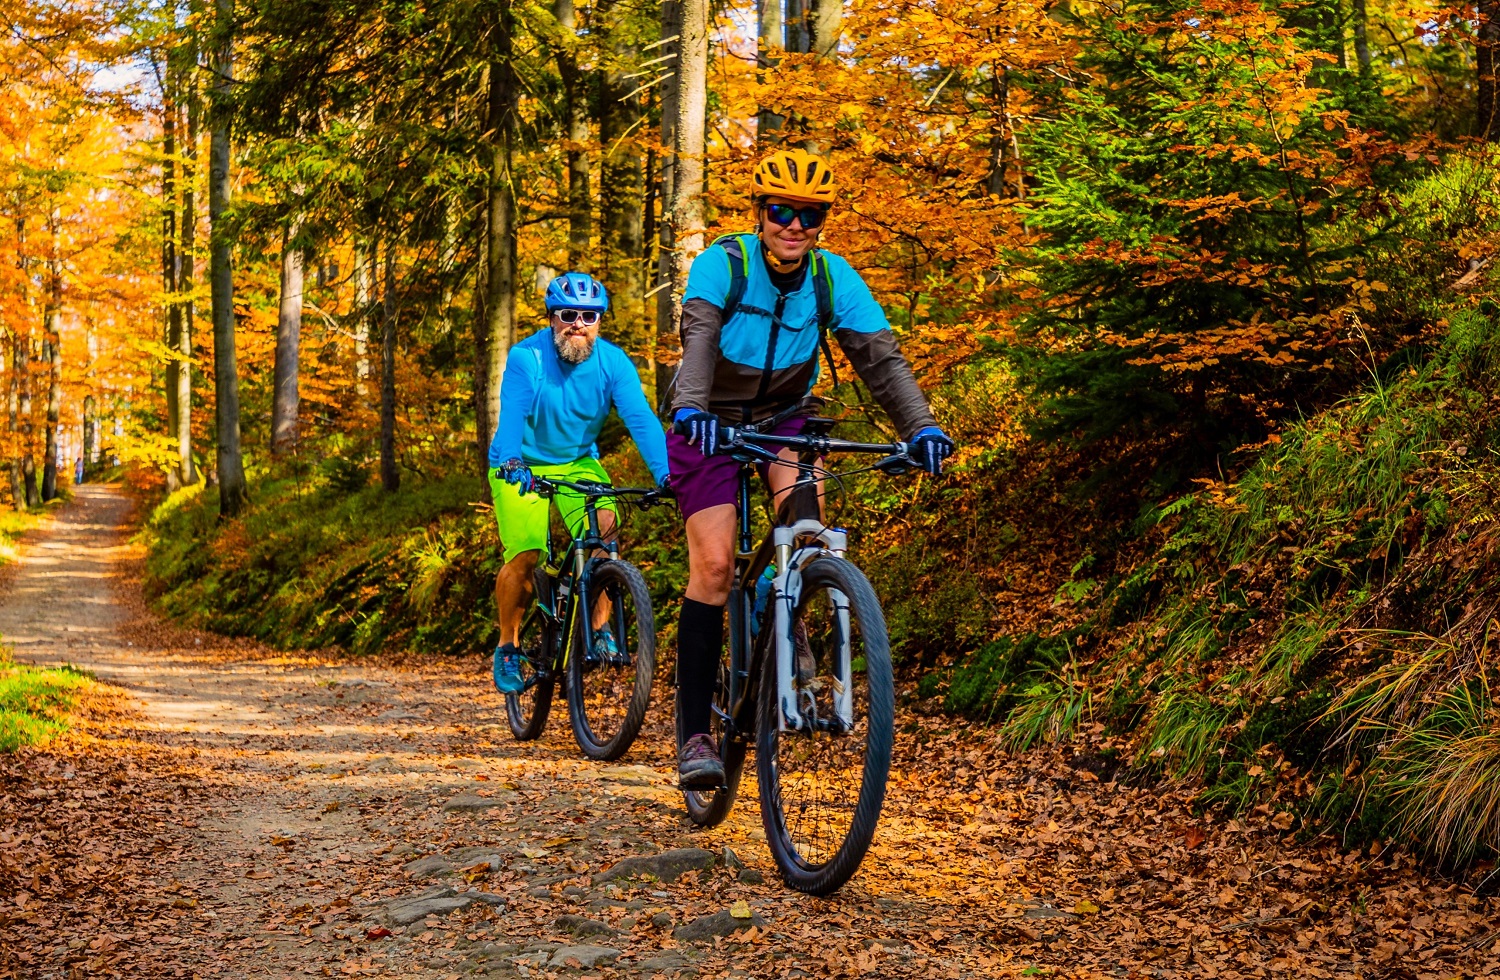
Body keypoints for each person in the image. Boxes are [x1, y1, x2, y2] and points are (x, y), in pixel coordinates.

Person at [667, 148, 955, 786]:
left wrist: (922, 426)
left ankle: (791, 630)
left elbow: (881, 359)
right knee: (714, 567)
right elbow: (699, 340)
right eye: (781, 211)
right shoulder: (725, 263)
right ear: (759, 212)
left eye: (810, 214)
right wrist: (691, 408)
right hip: (708, 418)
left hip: (785, 416)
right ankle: (693, 733)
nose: (794, 225)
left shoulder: (831, 277)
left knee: (806, 533)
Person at [488, 272, 670, 694]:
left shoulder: (614, 363)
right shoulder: (526, 358)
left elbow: (641, 420)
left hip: (576, 463)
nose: (578, 324)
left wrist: (666, 474)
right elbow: (512, 414)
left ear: (600, 321)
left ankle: (599, 629)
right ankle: (508, 645)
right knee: (527, 554)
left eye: (589, 316)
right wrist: (513, 458)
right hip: (519, 464)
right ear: (552, 318)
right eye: (568, 314)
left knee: (604, 534)